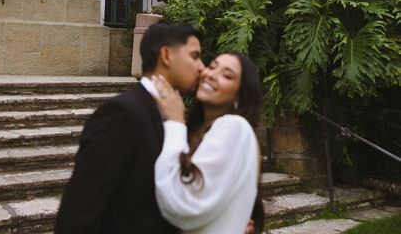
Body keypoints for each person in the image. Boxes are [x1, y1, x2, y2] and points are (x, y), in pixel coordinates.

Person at [54, 20, 204, 234]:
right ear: (167, 55)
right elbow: (78, 214)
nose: (201, 66)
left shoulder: (173, 114)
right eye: (195, 56)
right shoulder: (121, 114)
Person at [152, 51, 264, 234]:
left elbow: (185, 202)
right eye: (212, 67)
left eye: (227, 75)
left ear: (239, 97)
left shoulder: (234, 127)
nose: (211, 75)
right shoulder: (195, 132)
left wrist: (175, 122)